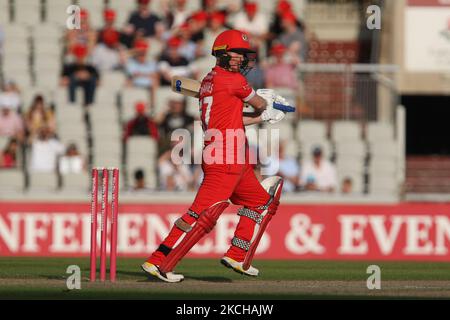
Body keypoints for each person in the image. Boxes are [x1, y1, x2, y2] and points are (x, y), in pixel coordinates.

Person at [141, 29, 291, 282]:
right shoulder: (234, 81)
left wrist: (262, 116)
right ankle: (159, 262)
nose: (241, 59)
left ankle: (237, 254)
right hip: (225, 157)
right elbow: (259, 103)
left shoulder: (210, 80)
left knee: (260, 202)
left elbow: (236, 119)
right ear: (221, 53)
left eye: (244, 55)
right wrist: (269, 105)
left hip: (232, 155)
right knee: (202, 214)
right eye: (237, 54)